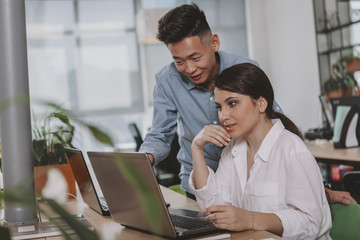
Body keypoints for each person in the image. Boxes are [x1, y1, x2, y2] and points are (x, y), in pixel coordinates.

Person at [139, 3, 356, 205]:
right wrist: (139, 164)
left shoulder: (243, 68)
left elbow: (277, 126)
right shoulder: (167, 81)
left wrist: (319, 187)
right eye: (179, 61)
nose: (190, 68)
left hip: (247, 183)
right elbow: (159, 135)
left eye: (195, 58)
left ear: (214, 42)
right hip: (200, 185)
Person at [189, 63, 332, 239]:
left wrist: (249, 219)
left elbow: (310, 223)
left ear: (261, 104)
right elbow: (213, 206)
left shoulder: (292, 149)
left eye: (232, 103)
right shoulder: (233, 149)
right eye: (219, 107)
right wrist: (196, 148)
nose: (223, 116)